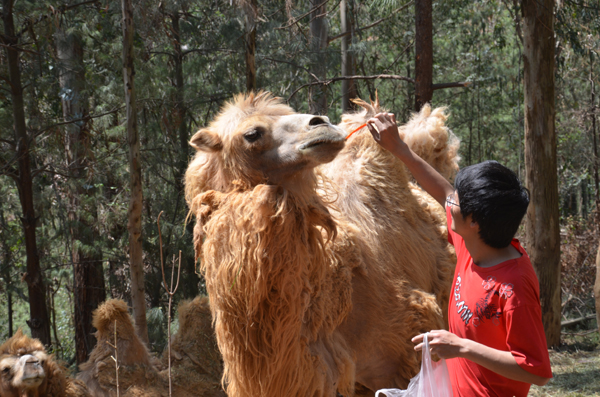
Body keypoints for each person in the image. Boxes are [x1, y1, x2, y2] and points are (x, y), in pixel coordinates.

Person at [366, 112, 552, 397]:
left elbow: (536, 370)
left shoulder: (513, 288)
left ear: (474, 220)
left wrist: (461, 347)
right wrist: (399, 149)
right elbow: (443, 191)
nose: (450, 199)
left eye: (458, 199)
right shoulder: (473, 243)